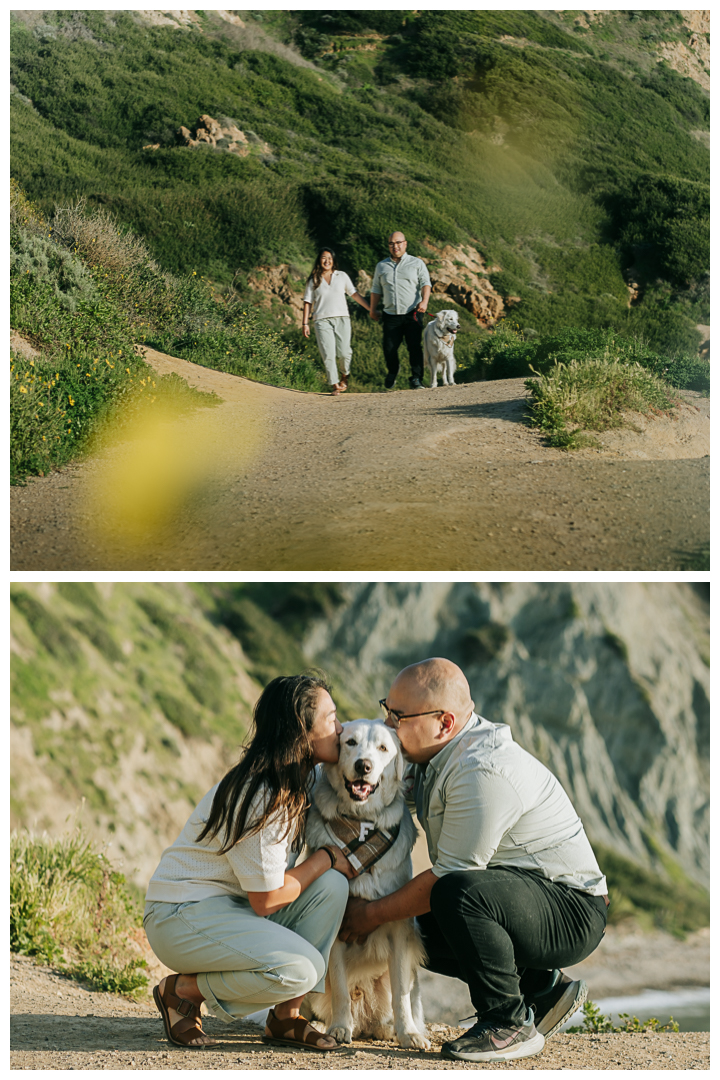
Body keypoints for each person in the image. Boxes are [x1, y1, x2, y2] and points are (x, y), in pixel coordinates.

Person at [339, 658, 609, 1063]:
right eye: (386, 710)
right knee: (419, 928)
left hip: (572, 909)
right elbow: (380, 793)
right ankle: (540, 987)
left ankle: (507, 1022)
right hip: (524, 896)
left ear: (444, 722)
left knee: (454, 894)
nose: (389, 725)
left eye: (398, 716)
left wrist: (368, 915)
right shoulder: (433, 755)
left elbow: (451, 875)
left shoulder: (481, 769)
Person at [144, 673, 356, 1052]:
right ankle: (182, 991)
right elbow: (268, 900)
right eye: (331, 719)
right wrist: (324, 859)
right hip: (180, 915)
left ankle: (285, 1018)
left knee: (332, 888)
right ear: (301, 733)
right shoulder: (263, 792)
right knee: (301, 969)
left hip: (231, 910)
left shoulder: (299, 781)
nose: (340, 730)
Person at [302, 248, 370, 396]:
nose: (327, 261)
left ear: (333, 261)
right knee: (328, 354)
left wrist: (370, 309)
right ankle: (334, 385)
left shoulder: (342, 276)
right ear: (319, 260)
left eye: (330, 258)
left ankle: (345, 375)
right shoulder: (313, 279)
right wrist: (305, 323)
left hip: (342, 318)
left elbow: (354, 294)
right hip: (321, 320)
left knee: (345, 352)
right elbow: (307, 301)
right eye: (323, 258)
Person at [370, 231, 432, 390]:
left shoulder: (417, 263)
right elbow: (376, 289)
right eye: (391, 243)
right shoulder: (381, 266)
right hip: (390, 314)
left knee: (414, 348)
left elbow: (426, 283)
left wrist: (424, 302)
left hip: (413, 313)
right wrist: (372, 309)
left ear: (405, 244)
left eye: (398, 243)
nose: (395, 246)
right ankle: (393, 371)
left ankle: (416, 379)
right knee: (389, 348)